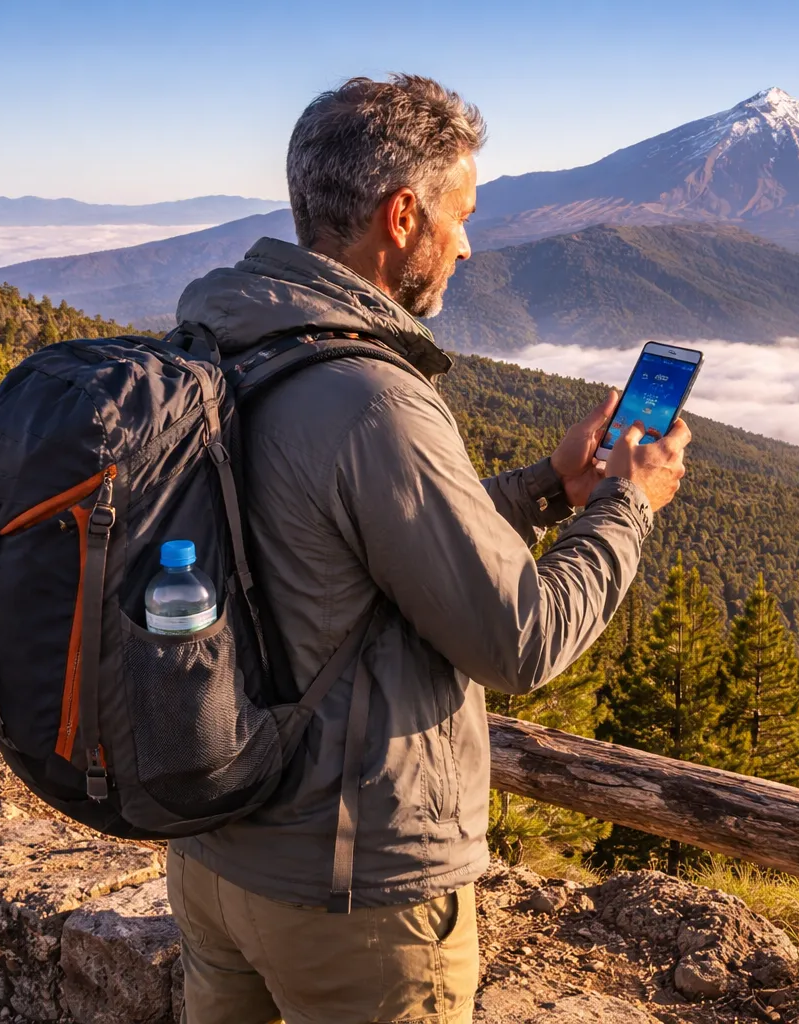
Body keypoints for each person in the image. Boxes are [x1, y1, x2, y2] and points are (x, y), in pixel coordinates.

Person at [165, 74, 689, 1024]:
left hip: (214, 858)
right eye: (463, 213)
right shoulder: (372, 397)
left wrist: (543, 489)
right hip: (350, 890)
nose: (469, 241)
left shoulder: (224, 341)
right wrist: (625, 505)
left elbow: (330, 551)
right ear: (402, 215)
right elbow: (521, 641)